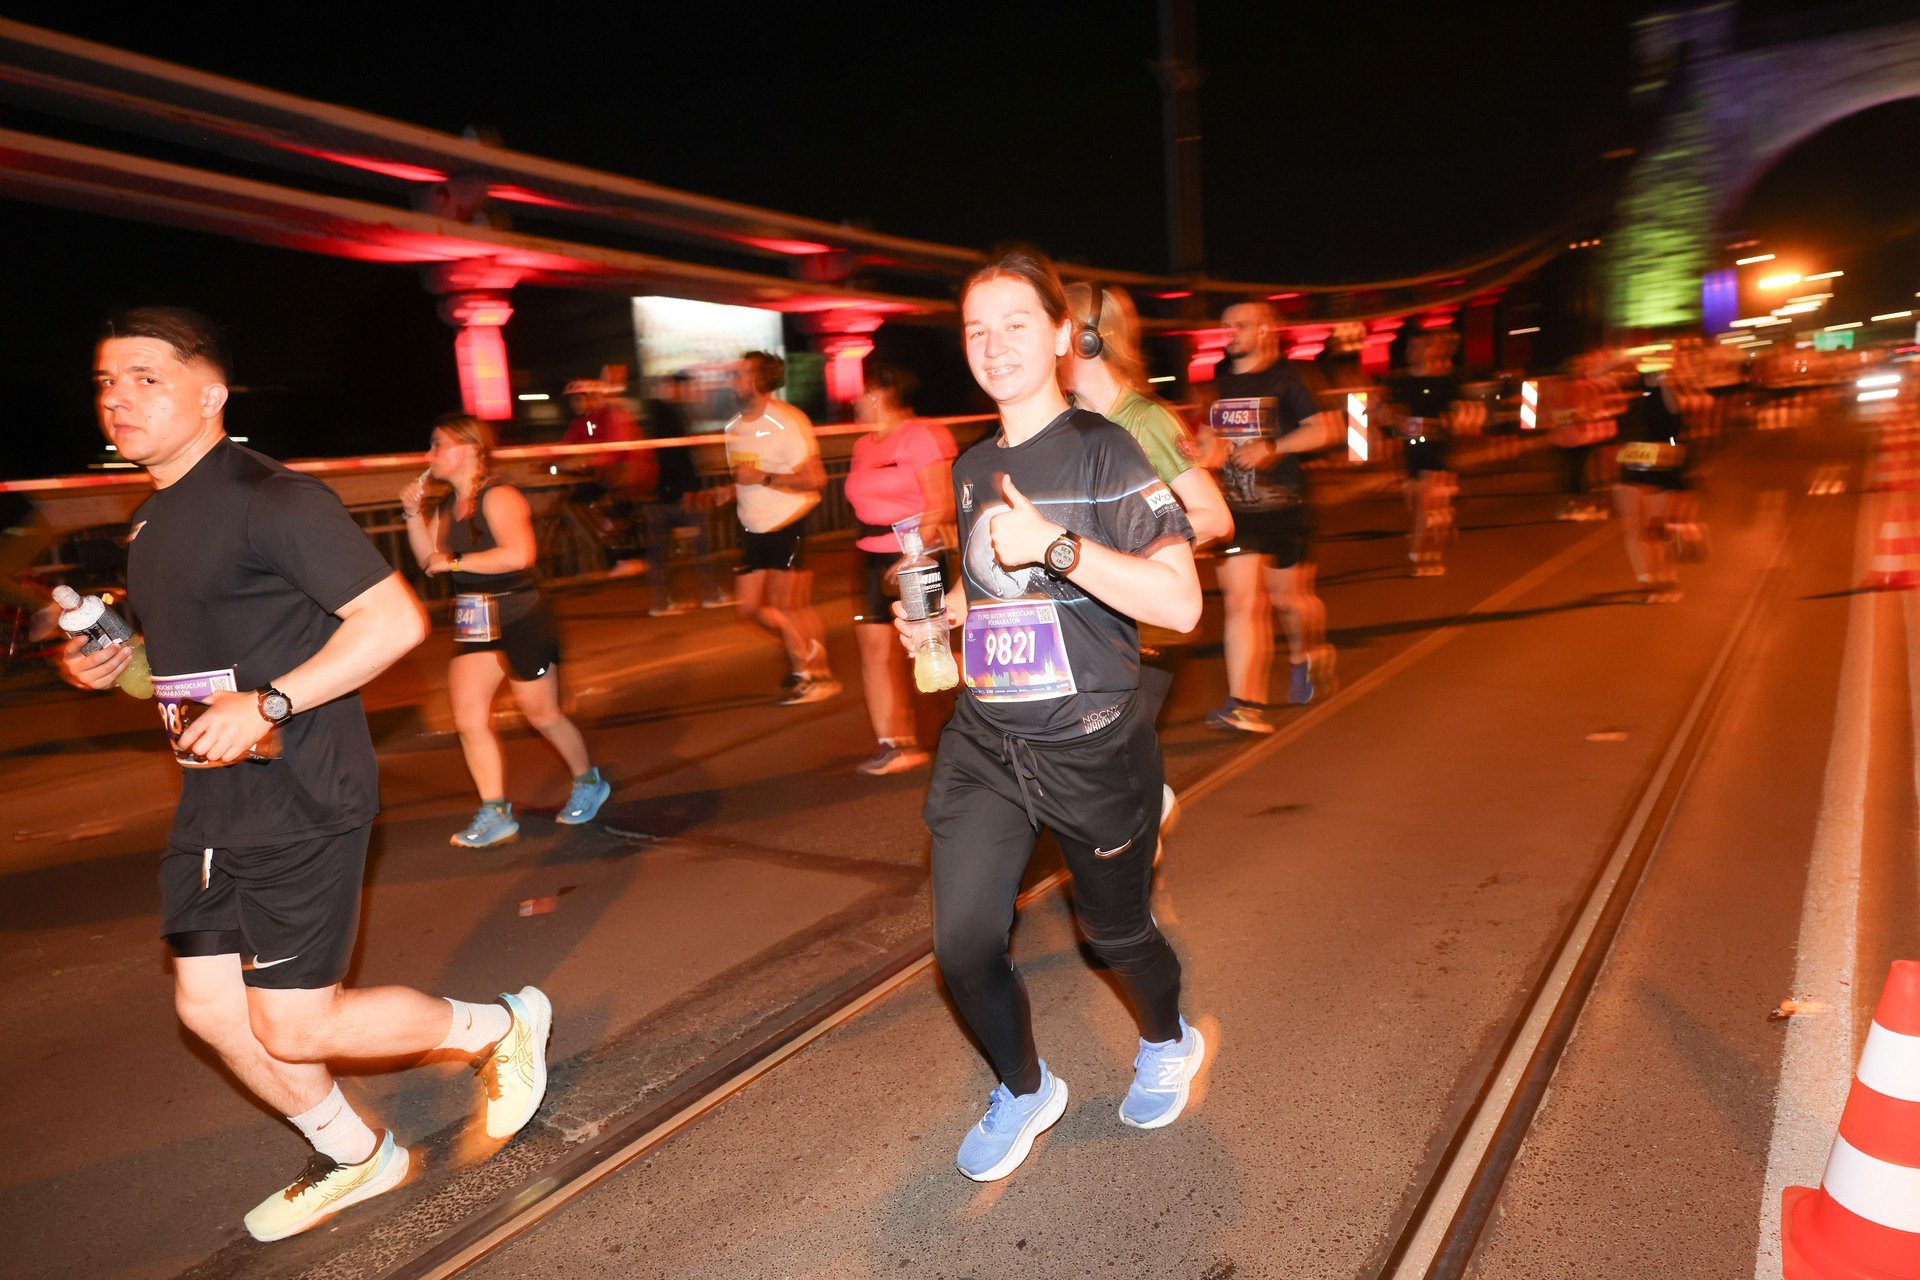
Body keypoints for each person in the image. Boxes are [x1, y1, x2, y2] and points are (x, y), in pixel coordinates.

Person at [60, 308, 552, 1242]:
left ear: (211, 394)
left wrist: (271, 702)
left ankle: (498, 1026)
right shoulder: (151, 519)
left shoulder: (273, 499)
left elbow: (394, 622)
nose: (119, 397)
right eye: (107, 382)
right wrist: (114, 668)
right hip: (211, 801)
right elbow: (182, 669)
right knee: (208, 1012)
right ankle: (354, 1154)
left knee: (294, 1025)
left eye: (146, 378)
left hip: (302, 791)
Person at [906, 248, 1208, 1183]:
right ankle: (1024, 1086)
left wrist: (1057, 545)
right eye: (976, 330)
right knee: (962, 945)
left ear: (1060, 337)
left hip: (1089, 743)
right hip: (987, 741)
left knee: (1114, 935)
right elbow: (987, 585)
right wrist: (940, 616)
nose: (993, 345)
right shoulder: (973, 465)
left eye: (1015, 325)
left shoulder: (1107, 450)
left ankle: (1167, 1038)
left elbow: (1180, 603)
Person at [401, 415, 612, 847]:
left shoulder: (499, 496)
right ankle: (495, 811)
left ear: (471, 449)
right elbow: (429, 561)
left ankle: (588, 781)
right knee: (469, 719)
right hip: (475, 622)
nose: (430, 454)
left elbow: (519, 554)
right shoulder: (447, 506)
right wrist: (410, 514)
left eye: (439, 444)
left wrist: (455, 561)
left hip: (521, 617)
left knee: (542, 715)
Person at [1197, 299, 1342, 731]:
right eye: (1225, 327)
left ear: (1265, 330)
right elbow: (1206, 439)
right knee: (1242, 604)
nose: (1230, 334)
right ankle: (1245, 703)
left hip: (1285, 506)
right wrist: (1201, 456)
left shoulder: (1290, 377)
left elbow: (1326, 429)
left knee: (1289, 601)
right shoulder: (1218, 382)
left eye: (1239, 325)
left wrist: (1273, 447)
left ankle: (1309, 655)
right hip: (1236, 510)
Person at [843, 361, 956, 775]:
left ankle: (977, 720)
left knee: (930, 648)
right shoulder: (862, 445)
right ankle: (892, 743)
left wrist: (911, 556)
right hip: (872, 557)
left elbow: (940, 501)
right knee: (873, 652)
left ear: (884, 393)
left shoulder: (920, 436)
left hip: (916, 560)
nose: (856, 400)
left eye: (864, 391)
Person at [1063, 282, 1232, 547]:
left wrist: (1129, 547)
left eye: (1057, 333)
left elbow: (1215, 518)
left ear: (1087, 341)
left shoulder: (1146, 420)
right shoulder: (1060, 420)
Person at [724, 350, 839, 704]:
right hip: (753, 527)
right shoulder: (733, 427)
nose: (733, 380)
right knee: (749, 607)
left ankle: (814, 674)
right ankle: (804, 657)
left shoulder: (787, 421)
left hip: (788, 521)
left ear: (761, 380)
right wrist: (726, 491)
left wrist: (763, 477)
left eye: (741, 374)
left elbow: (815, 479)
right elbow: (746, 478)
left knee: (788, 605)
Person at [639, 372, 729, 616]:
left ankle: (660, 603)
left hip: (654, 495)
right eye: (689, 388)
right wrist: (689, 490)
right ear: (676, 388)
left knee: (658, 553)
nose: (693, 393)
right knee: (701, 545)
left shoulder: (654, 415)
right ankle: (711, 594)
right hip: (674, 495)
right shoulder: (670, 416)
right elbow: (678, 459)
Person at [1382, 332, 1469, 577]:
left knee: (1425, 507)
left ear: (1431, 350)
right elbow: (1391, 417)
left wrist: (1448, 421)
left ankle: (1425, 557)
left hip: (1437, 452)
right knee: (1417, 510)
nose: (1412, 351)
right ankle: (1443, 523)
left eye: (1419, 347)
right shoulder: (1400, 381)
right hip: (1411, 452)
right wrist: (1386, 418)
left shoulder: (1447, 381)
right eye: (1410, 347)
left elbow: (1456, 416)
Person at [1612, 364, 1694, 603]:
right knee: (1633, 528)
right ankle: (1647, 580)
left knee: (1656, 528)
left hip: (1659, 464)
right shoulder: (1626, 388)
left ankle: (1668, 577)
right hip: (1631, 463)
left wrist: (1664, 378)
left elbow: (1675, 413)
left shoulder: (1663, 392)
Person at [560, 377, 649, 577]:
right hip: (608, 471)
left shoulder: (611, 415)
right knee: (580, 499)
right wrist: (548, 460)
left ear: (592, 398)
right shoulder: (582, 421)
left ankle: (621, 548)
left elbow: (617, 446)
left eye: (579, 399)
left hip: (629, 469)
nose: (575, 404)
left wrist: (593, 463)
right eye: (572, 400)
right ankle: (610, 535)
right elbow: (565, 444)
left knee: (614, 506)